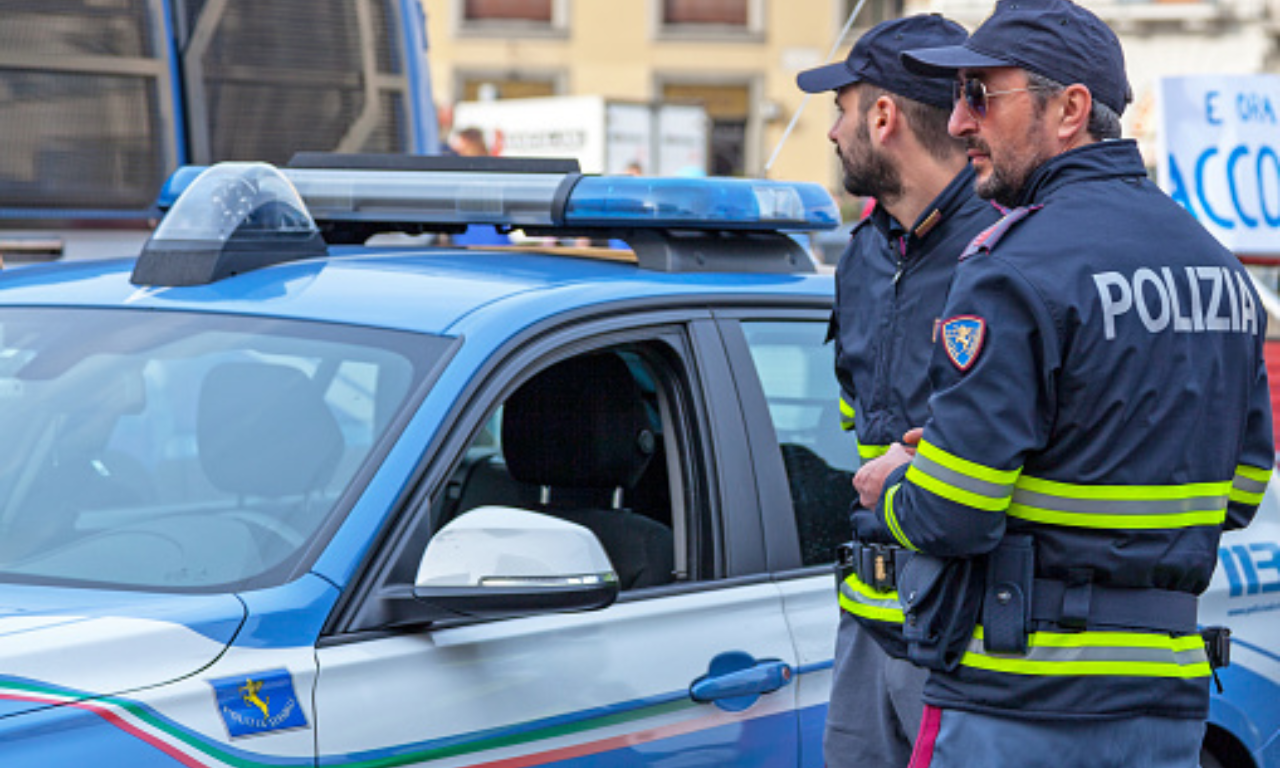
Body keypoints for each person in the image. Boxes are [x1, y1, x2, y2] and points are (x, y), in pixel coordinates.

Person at [851, 1, 1275, 765]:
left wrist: (897, 485)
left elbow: (954, 514)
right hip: (1163, 700)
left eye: (981, 94)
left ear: (1071, 110)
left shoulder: (1011, 266)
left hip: (1019, 701)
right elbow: (1241, 492)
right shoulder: (1217, 267)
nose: (959, 122)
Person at [795, 15, 1001, 768]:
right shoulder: (863, 257)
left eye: (841, 110)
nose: (832, 132)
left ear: (883, 117)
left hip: (966, 634)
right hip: (868, 621)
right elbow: (860, 421)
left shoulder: (1006, 253)